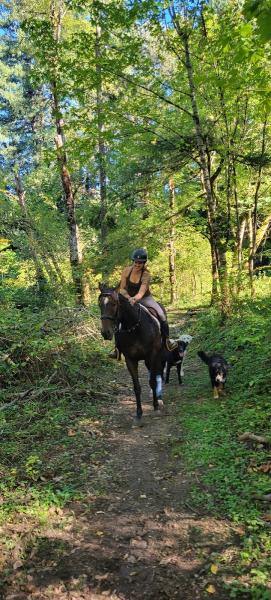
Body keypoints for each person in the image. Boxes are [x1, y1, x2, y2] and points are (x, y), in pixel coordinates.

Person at [109, 248, 175, 358]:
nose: (137, 264)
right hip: (127, 297)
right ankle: (117, 348)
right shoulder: (126, 271)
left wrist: (135, 299)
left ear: (144, 263)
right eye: (135, 262)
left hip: (145, 298)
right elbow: (122, 289)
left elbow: (142, 291)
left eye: (140, 262)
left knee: (161, 314)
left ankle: (167, 340)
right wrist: (129, 297)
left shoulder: (146, 275)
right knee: (118, 317)